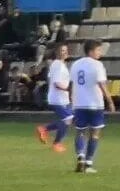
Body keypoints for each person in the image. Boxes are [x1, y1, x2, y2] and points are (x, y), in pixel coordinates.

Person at [70, 39, 115, 174]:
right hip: (95, 104)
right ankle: (89, 163)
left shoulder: (75, 64)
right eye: (98, 50)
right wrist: (110, 101)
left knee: (80, 132)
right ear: (91, 51)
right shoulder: (97, 65)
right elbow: (102, 84)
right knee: (95, 133)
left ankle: (80, 157)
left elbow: (72, 85)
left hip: (79, 103)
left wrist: (72, 101)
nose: (100, 53)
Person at [36, 44, 72, 153]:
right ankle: (56, 143)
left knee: (67, 120)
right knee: (68, 119)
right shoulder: (58, 65)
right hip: (57, 99)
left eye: (66, 50)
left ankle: (45, 129)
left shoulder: (60, 64)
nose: (65, 52)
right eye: (62, 50)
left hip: (63, 98)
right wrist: (69, 90)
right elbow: (57, 83)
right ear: (57, 52)